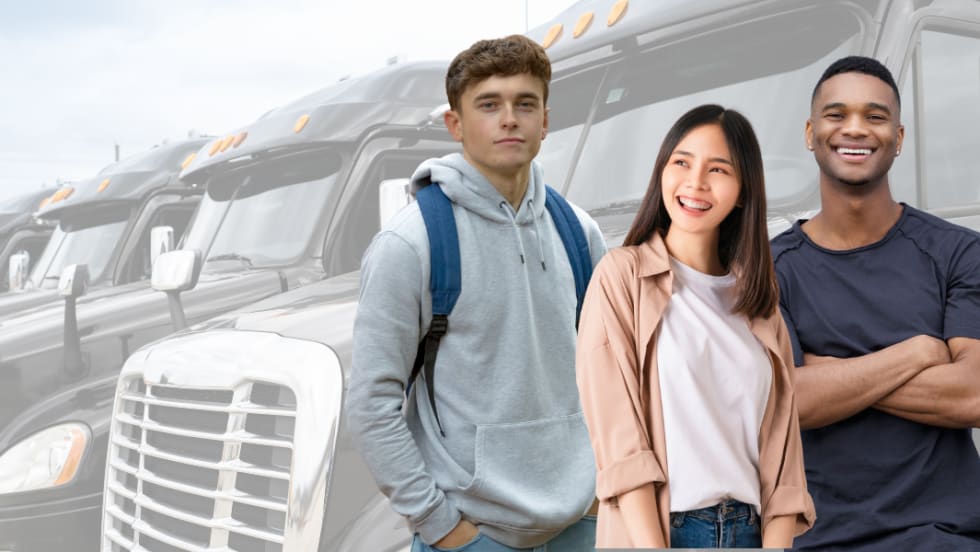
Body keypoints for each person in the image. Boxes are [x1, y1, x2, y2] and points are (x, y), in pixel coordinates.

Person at [346, 35, 607, 552]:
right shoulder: (411, 242)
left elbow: (610, 375)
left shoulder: (579, 232)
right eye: (489, 105)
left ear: (545, 121)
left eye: (524, 104)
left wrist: (600, 492)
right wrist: (441, 526)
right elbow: (371, 404)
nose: (509, 119)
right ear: (456, 124)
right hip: (473, 534)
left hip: (581, 525)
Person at [575, 104, 815, 549]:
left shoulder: (761, 306)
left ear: (743, 191)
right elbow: (620, 441)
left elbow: (784, 459)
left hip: (750, 532)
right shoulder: (621, 277)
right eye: (681, 162)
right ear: (662, 172)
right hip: (665, 531)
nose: (696, 182)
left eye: (718, 169)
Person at [772, 55, 980, 550]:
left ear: (899, 137)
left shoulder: (958, 252)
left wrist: (831, 373)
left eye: (876, 116)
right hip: (817, 538)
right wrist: (917, 353)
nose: (856, 129)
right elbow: (786, 402)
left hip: (945, 535)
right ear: (810, 132)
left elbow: (973, 394)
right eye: (837, 114)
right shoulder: (769, 270)